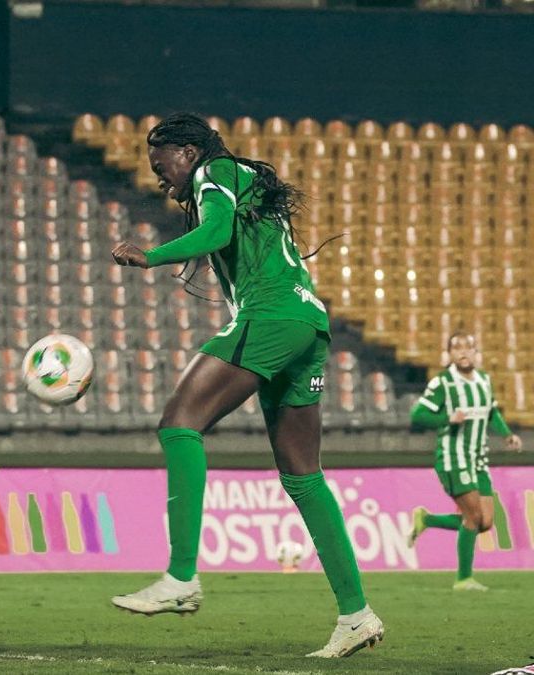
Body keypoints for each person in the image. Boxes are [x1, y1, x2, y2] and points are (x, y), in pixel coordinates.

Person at [108, 113, 383, 658]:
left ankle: (181, 577)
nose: (160, 177)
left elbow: (216, 232)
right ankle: (357, 615)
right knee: (303, 475)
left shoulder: (215, 172)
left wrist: (153, 255)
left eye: (160, 164)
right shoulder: (238, 179)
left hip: (272, 315)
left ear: (186, 151)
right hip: (308, 322)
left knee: (179, 424)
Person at [407, 331, 523, 590]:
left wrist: (507, 435)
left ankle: (427, 520)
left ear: (475, 352)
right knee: (472, 516)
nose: (463, 352)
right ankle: (463, 579)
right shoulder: (443, 383)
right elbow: (418, 415)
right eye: (457, 347)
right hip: (453, 457)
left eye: (468, 347)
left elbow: (491, 411)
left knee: (486, 522)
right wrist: (448, 418)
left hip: (478, 459)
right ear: (449, 354)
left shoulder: (484, 379)